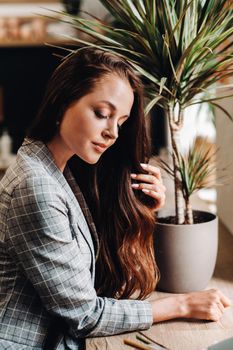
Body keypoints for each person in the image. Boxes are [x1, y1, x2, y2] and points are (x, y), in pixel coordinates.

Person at [0, 48, 230, 350]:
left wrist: (143, 212)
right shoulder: (37, 187)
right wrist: (183, 305)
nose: (113, 133)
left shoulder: (57, 170)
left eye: (120, 121)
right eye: (102, 114)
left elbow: (95, 277)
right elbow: (84, 314)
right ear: (61, 102)